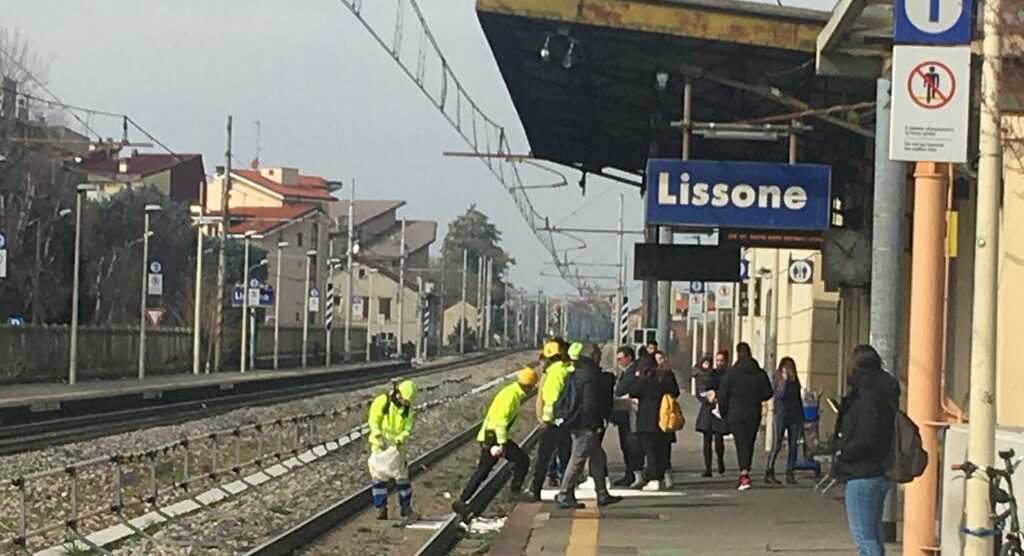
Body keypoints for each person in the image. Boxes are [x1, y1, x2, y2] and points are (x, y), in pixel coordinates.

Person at [834, 345, 899, 556]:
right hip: (879, 470)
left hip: (861, 471)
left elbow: (866, 436)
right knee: (873, 534)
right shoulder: (883, 391)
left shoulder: (866, 395)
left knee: (864, 537)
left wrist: (844, 451)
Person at [452, 368, 539, 516]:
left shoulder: (511, 392)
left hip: (493, 436)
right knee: (520, 461)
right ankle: (462, 501)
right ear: (527, 385)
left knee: (485, 470)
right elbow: (501, 422)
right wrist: (502, 444)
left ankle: (462, 500)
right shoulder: (511, 396)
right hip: (493, 438)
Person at [555, 343, 622, 509]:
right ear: (593, 355)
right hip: (586, 424)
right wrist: (596, 423)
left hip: (576, 421)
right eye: (598, 354)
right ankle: (564, 494)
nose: (600, 358)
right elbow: (590, 403)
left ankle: (602, 493)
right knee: (577, 459)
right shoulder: (591, 376)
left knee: (598, 458)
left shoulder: (577, 372)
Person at [718, 342, 772, 491]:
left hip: (736, 412)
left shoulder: (732, 373)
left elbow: (723, 394)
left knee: (740, 442)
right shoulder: (759, 373)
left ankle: (744, 473)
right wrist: (756, 397)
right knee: (749, 442)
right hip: (753, 411)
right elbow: (768, 392)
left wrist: (724, 412)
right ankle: (746, 470)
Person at [526, 339, 574, 501]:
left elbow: (552, 400)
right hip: (566, 421)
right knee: (567, 457)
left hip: (553, 423)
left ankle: (535, 489)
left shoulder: (555, 372)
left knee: (544, 457)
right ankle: (567, 491)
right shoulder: (567, 369)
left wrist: (546, 419)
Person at [624, 354, 680, 491]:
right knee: (662, 450)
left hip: (646, 420)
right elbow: (675, 392)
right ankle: (663, 476)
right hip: (662, 419)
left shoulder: (643, 381)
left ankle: (655, 479)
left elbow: (630, 391)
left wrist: (636, 376)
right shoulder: (663, 379)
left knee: (650, 451)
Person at [367, 379, 417, 520]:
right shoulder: (382, 402)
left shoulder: (408, 410)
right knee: (378, 478)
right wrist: (378, 436)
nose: (405, 402)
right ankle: (381, 508)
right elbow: (373, 420)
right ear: (398, 393)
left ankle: (405, 508)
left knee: (402, 479)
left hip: (397, 448)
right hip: (380, 446)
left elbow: (408, 428)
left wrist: (399, 439)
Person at [765, 357, 805, 485]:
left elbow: (798, 399)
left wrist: (802, 417)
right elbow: (779, 396)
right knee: (776, 444)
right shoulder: (777, 380)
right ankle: (769, 471)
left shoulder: (795, 381)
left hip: (794, 416)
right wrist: (785, 382)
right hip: (781, 415)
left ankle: (790, 473)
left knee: (793, 446)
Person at [611, 346, 643, 487]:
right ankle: (629, 473)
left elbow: (624, 389)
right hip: (623, 414)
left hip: (631, 414)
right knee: (625, 445)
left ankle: (635, 473)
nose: (618, 361)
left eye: (620, 358)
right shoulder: (626, 372)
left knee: (632, 445)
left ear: (629, 357)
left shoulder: (634, 372)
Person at [695, 353, 727, 477]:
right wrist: (706, 399)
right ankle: (707, 467)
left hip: (719, 409)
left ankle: (720, 461)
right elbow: (701, 391)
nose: (719, 363)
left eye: (721, 360)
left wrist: (719, 398)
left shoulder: (726, 375)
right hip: (707, 410)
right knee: (706, 440)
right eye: (717, 360)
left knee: (719, 439)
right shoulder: (709, 374)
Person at [652, 350, 678, 488]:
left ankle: (666, 474)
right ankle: (659, 474)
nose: (660, 361)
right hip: (654, 414)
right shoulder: (651, 374)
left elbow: (676, 392)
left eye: (662, 358)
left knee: (664, 447)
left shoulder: (668, 375)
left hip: (665, 413)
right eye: (657, 358)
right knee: (656, 447)